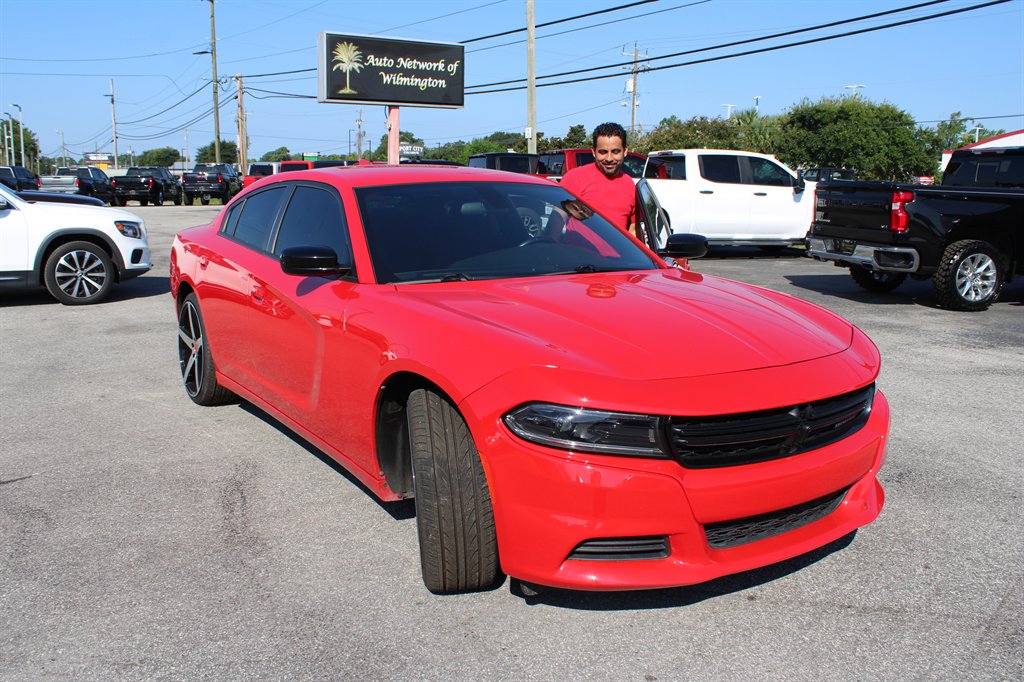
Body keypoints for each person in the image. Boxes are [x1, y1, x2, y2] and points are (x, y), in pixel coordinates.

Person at [559, 122, 639, 237]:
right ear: (593, 151)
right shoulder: (574, 178)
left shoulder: (629, 184)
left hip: (618, 255)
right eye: (603, 152)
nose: (609, 158)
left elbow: (633, 231)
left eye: (615, 152)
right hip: (578, 254)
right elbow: (556, 220)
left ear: (625, 151)